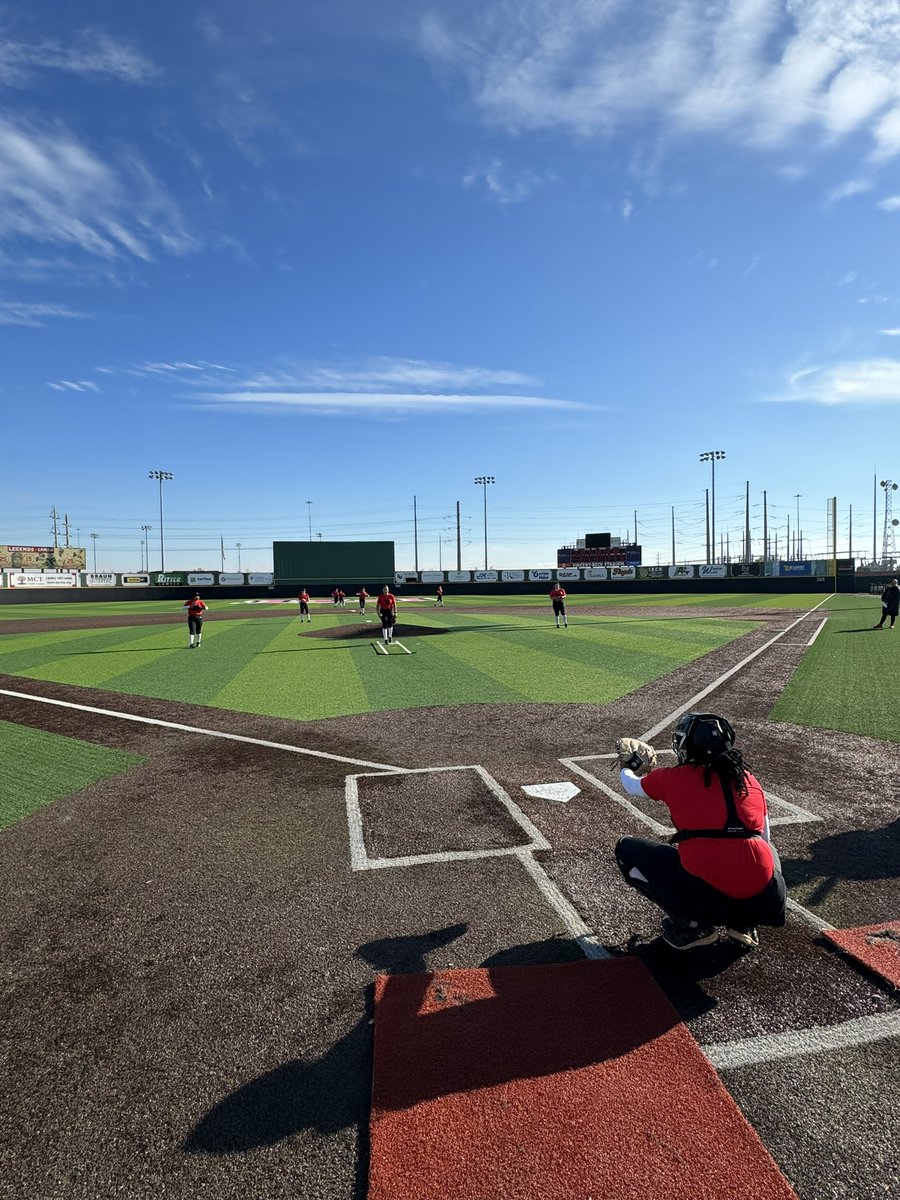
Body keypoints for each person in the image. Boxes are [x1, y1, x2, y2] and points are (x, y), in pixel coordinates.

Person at [614, 713, 786, 951]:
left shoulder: (675, 778)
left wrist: (629, 765)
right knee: (765, 849)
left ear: (688, 747)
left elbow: (631, 785)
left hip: (705, 899)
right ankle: (744, 924)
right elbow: (765, 840)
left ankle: (693, 926)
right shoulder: (750, 780)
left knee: (626, 848)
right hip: (767, 901)